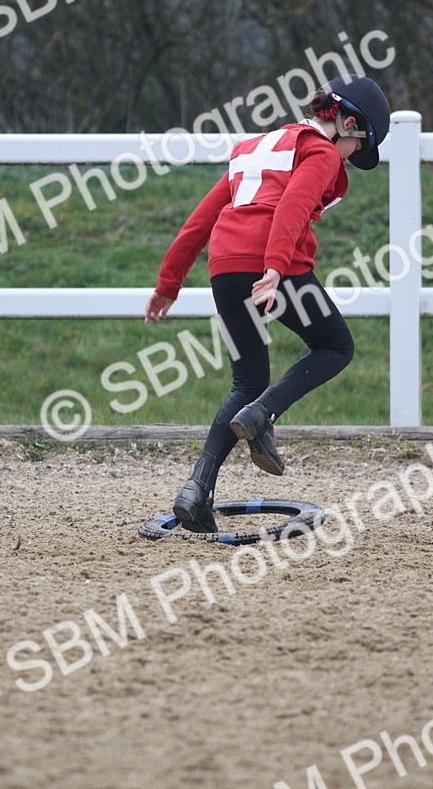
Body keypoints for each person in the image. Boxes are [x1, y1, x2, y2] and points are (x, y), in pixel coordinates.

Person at [143, 75, 391, 533]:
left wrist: (168, 282)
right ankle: (263, 415)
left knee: (246, 382)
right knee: (335, 346)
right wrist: (275, 267)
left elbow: (202, 218)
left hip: (225, 266)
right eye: (358, 147)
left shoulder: (255, 147)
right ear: (348, 123)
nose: (352, 158)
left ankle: (196, 491)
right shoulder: (318, 151)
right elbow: (293, 206)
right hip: (276, 268)